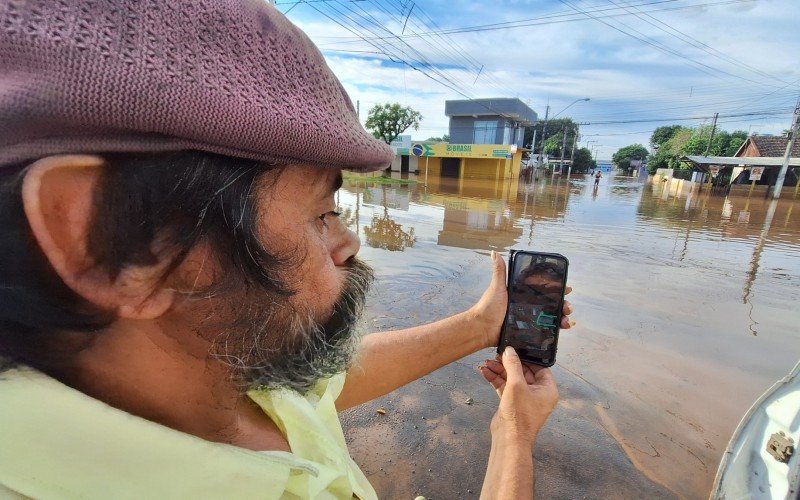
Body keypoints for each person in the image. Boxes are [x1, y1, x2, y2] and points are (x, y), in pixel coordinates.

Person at [0, 1, 573, 498]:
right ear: (106, 242)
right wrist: (514, 436)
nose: (348, 243)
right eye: (321, 214)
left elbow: (314, 392)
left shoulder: (212, 362)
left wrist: (482, 325)